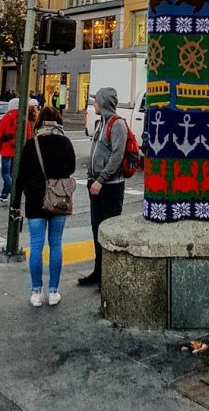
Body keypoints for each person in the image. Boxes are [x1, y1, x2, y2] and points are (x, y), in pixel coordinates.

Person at [12, 105, 76, 308]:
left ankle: (36, 291)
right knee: (56, 243)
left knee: (36, 245)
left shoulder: (32, 144)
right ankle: (54, 291)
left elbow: (20, 176)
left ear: (40, 121)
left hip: (35, 200)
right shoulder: (65, 142)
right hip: (58, 199)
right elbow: (72, 167)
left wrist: (15, 204)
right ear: (58, 121)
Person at [78, 87, 127, 287]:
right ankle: (98, 271)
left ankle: (108, 276)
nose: (94, 104)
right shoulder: (102, 123)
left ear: (104, 102)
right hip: (96, 182)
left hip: (110, 186)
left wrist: (101, 179)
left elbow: (117, 155)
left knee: (108, 230)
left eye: (96, 101)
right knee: (96, 228)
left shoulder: (117, 125)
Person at [0, 98, 32, 202]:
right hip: (18, 151)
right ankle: (5, 193)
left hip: (6, 150)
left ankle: (12, 191)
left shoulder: (6, 117)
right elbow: (28, 134)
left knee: (6, 173)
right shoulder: (24, 118)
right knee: (14, 173)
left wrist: (0, 146)